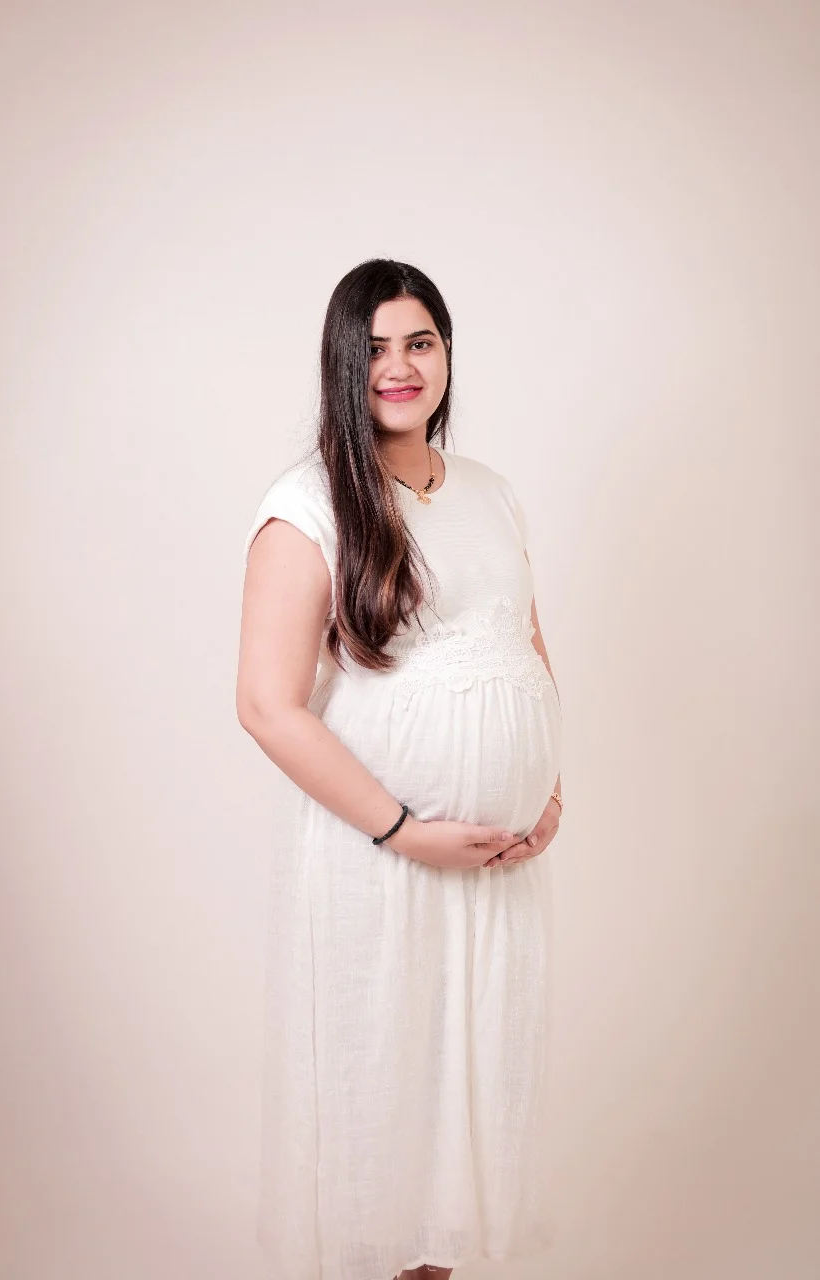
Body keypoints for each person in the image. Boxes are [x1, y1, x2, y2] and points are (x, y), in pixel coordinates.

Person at [236, 259, 563, 1280]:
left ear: (448, 353)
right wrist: (399, 827)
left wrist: (546, 788)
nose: (398, 365)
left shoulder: (492, 494)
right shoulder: (308, 503)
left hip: (499, 873)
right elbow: (265, 703)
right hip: (384, 865)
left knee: (461, 1151)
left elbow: (524, 640)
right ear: (342, 362)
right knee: (386, 1138)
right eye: (373, 346)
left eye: (418, 340)